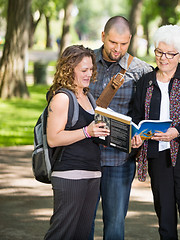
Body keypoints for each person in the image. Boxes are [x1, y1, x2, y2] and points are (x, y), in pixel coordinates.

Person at [131, 25, 180, 240]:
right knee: (165, 220)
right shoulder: (145, 81)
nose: (163, 58)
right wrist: (136, 135)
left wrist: (178, 132)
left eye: (169, 54)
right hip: (158, 157)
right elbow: (137, 116)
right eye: (159, 52)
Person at [88, 16, 153, 240]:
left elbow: (150, 112)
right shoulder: (84, 61)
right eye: (113, 42)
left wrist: (141, 136)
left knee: (115, 225)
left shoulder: (141, 70)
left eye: (123, 44)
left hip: (119, 161)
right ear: (103, 36)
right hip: (84, 156)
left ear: (130, 40)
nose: (118, 49)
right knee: (82, 222)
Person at [44, 45, 110, 239]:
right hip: (70, 175)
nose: (89, 74)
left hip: (92, 172)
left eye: (91, 69)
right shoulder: (62, 98)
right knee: (61, 233)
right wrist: (87, 131)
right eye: (84, 70)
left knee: (82, 234)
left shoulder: (88, 96)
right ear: (69, 69)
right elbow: (53, 138)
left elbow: (92, 134)